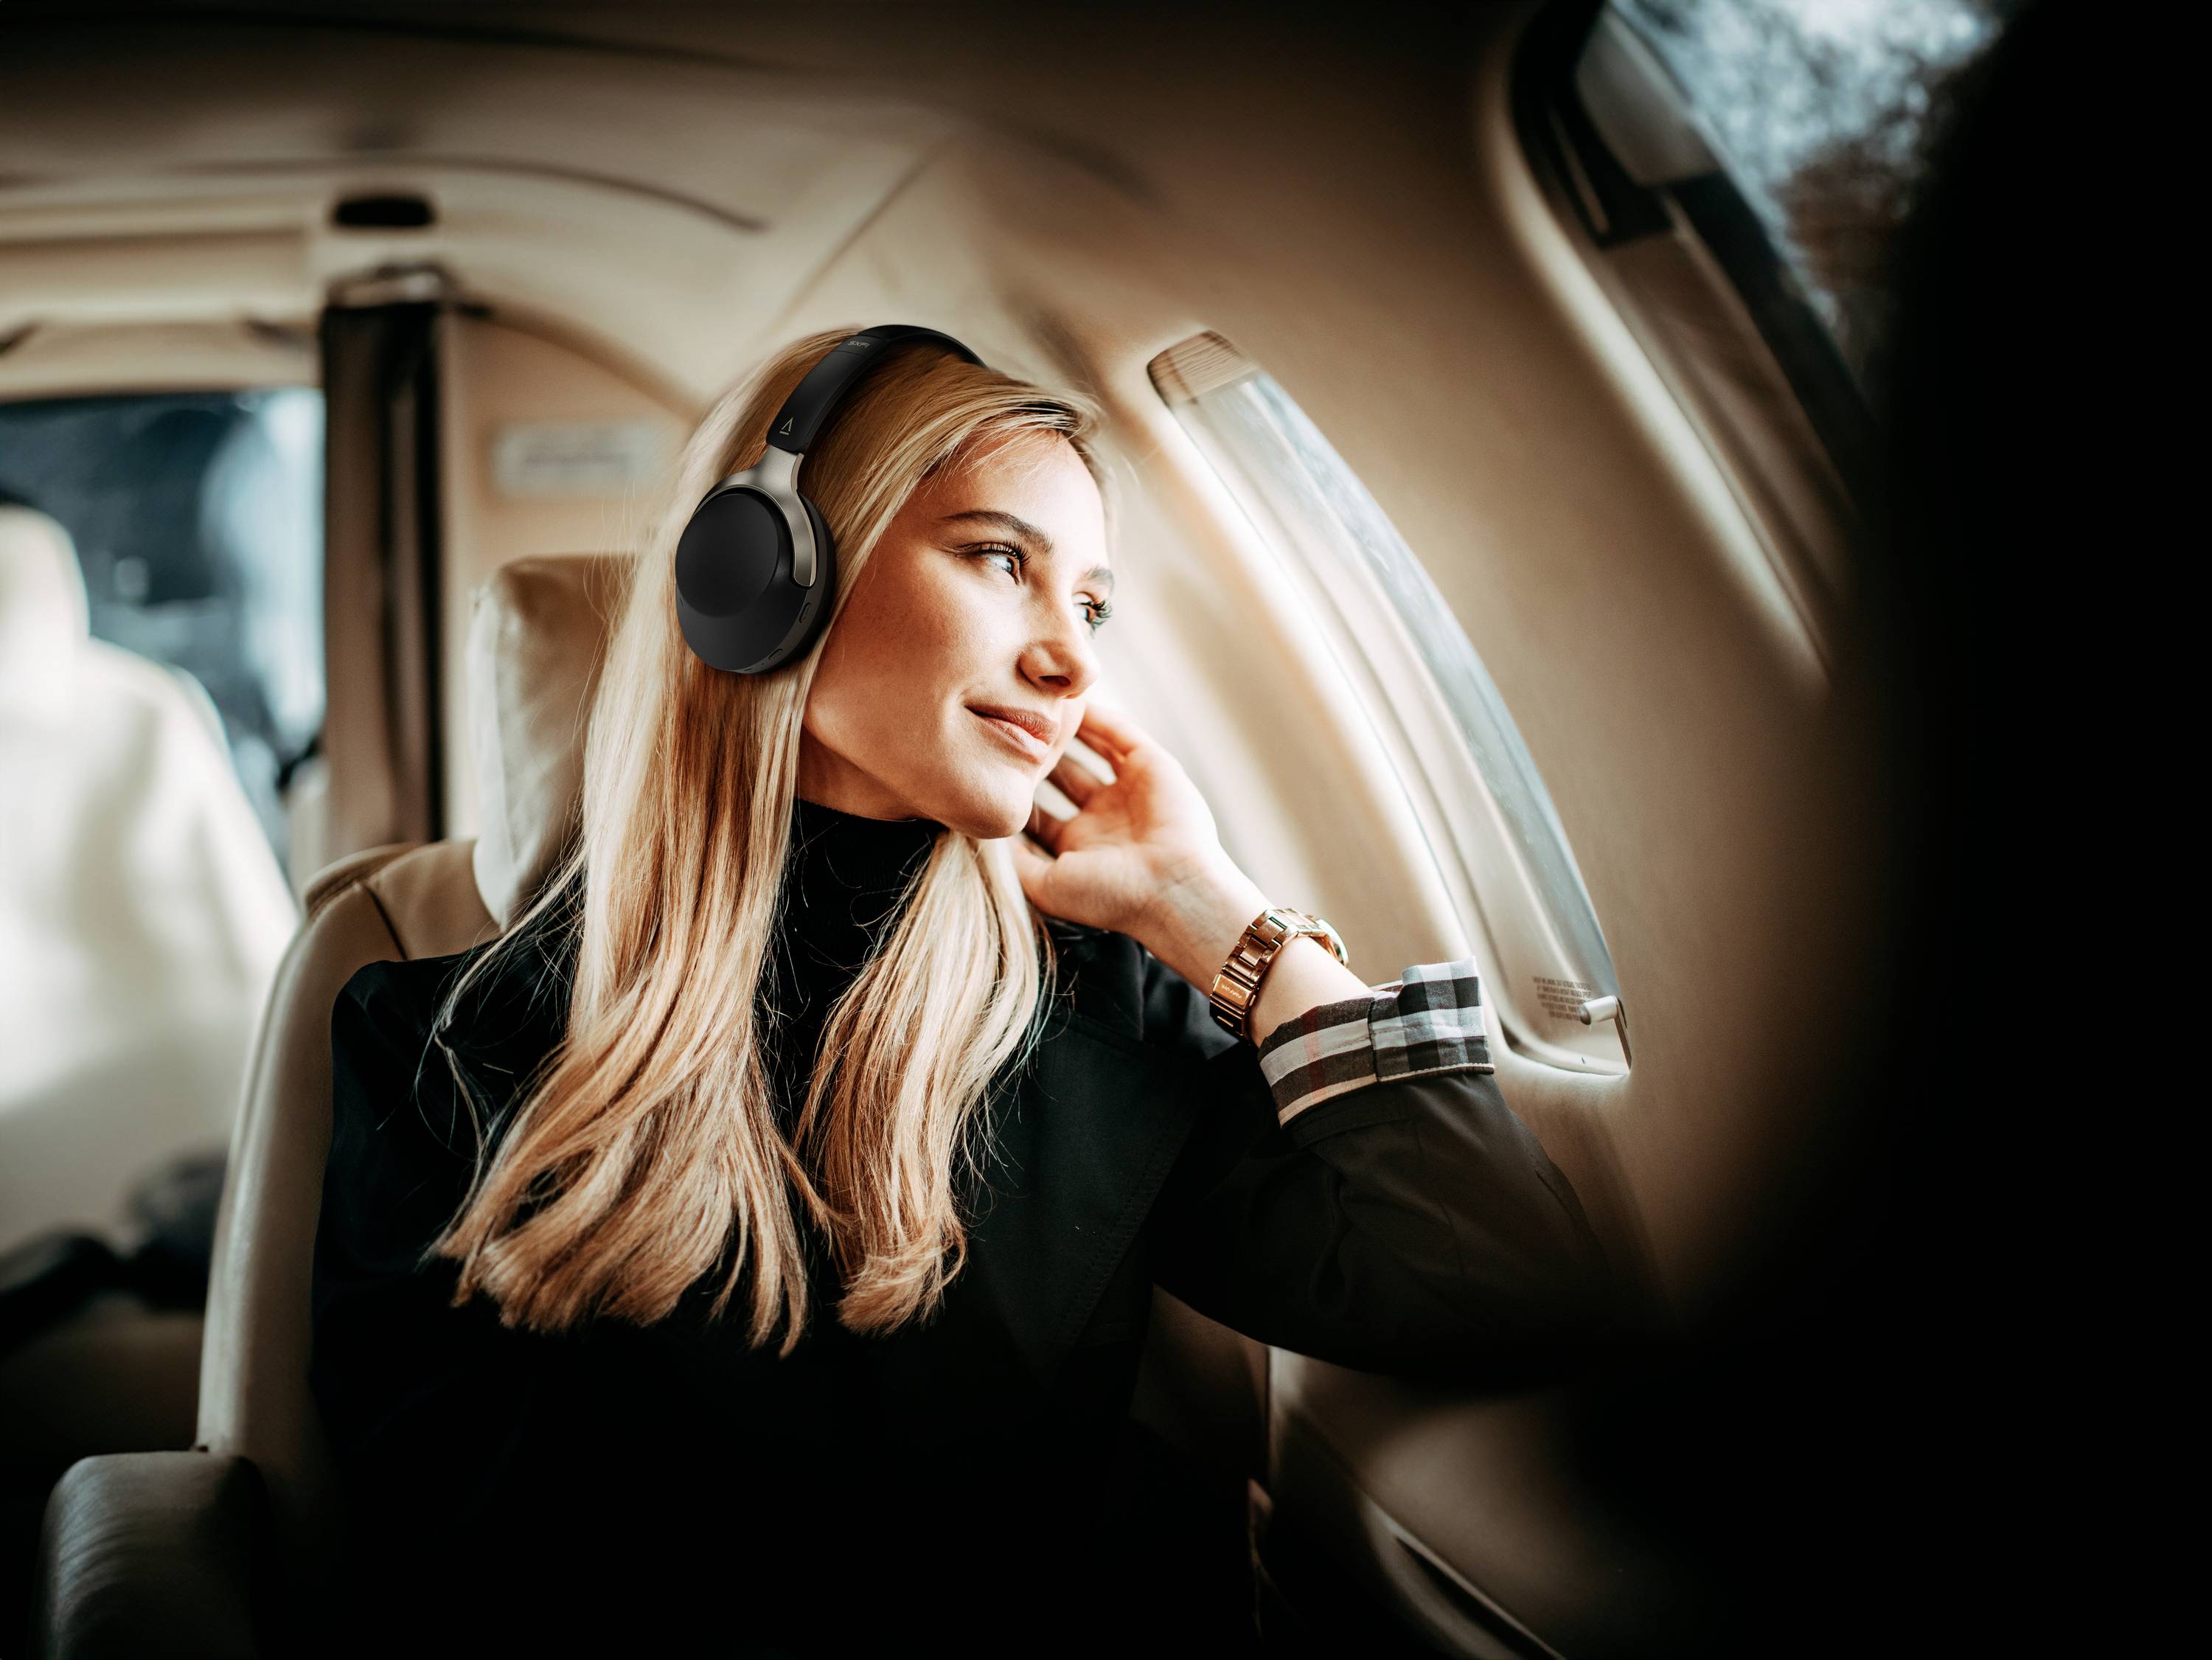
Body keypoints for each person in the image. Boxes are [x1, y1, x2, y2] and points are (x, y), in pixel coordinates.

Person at [308, 327, 1618, 1656]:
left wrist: (1218, 915)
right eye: (1002, 561)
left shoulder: (1105, 1012)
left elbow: (1496, 1276)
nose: (1071, 661)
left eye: (1092, 606)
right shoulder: (439, 1051)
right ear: (763, 573)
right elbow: (450, 1579)